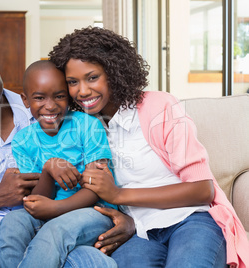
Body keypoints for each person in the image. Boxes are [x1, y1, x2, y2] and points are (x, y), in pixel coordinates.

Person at [49, 26, 249, 268]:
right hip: (139, 232)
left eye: (92, 77)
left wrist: (119, 194)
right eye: (72, 82)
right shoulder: (82, 129)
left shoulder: (158, 107)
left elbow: (202, 189)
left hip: (190, 219)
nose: (82, 91)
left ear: (114, 71)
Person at [0, 38, 135, 268]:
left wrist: (131, 218)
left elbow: (101, 182)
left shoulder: (46, 105)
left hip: (61, 222)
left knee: (90, 262)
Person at [0, 60, 118, 268]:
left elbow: (98, 189)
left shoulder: (87, 125)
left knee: (56, 231)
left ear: (68, 97)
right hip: (49, 208)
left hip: (95, 211)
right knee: (11, 223)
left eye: (59, 96)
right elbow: (39, 199)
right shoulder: (23, 140)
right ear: (25, 100)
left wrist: (56, 209)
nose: (50, 105)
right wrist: (48, 169)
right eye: (40, 98)